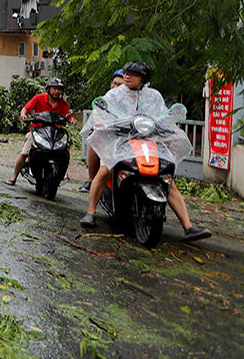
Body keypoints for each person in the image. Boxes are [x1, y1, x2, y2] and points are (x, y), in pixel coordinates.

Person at [80, 61, 212, 242]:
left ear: (143, 78)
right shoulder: (114, 94)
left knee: (167, 179)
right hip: (120, 141)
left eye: (132, 74)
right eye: (126, 72)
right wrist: (105, 123)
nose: (127, 76)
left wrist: (167, 126)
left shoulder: (154, 96)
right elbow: (101, 113)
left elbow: (163, 116)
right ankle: (90, 212)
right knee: (105, 170)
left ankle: (188, 227)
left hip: (149, 142)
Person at [6, 77, 78, 185]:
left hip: (54, 133)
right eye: (54, 88)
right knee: (25, 152)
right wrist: (23, 114)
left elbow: (69, 116)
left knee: (65, 150)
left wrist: (72, 120)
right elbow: (25, 108)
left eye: (59, 89)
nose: (57, 91)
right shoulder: (38, 98)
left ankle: (62, 174)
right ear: (49, 89)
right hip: (37, 132)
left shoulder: (63, 104)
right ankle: (14, 177)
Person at [79, 69, 126, 192]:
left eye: (119, 85)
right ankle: (91, 180)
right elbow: (96, 119)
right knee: (96, 140)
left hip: (129, 138)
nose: (115, 87)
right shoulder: (105, 100)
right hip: (110, 137)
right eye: (114, 83)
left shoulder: (134, 101)